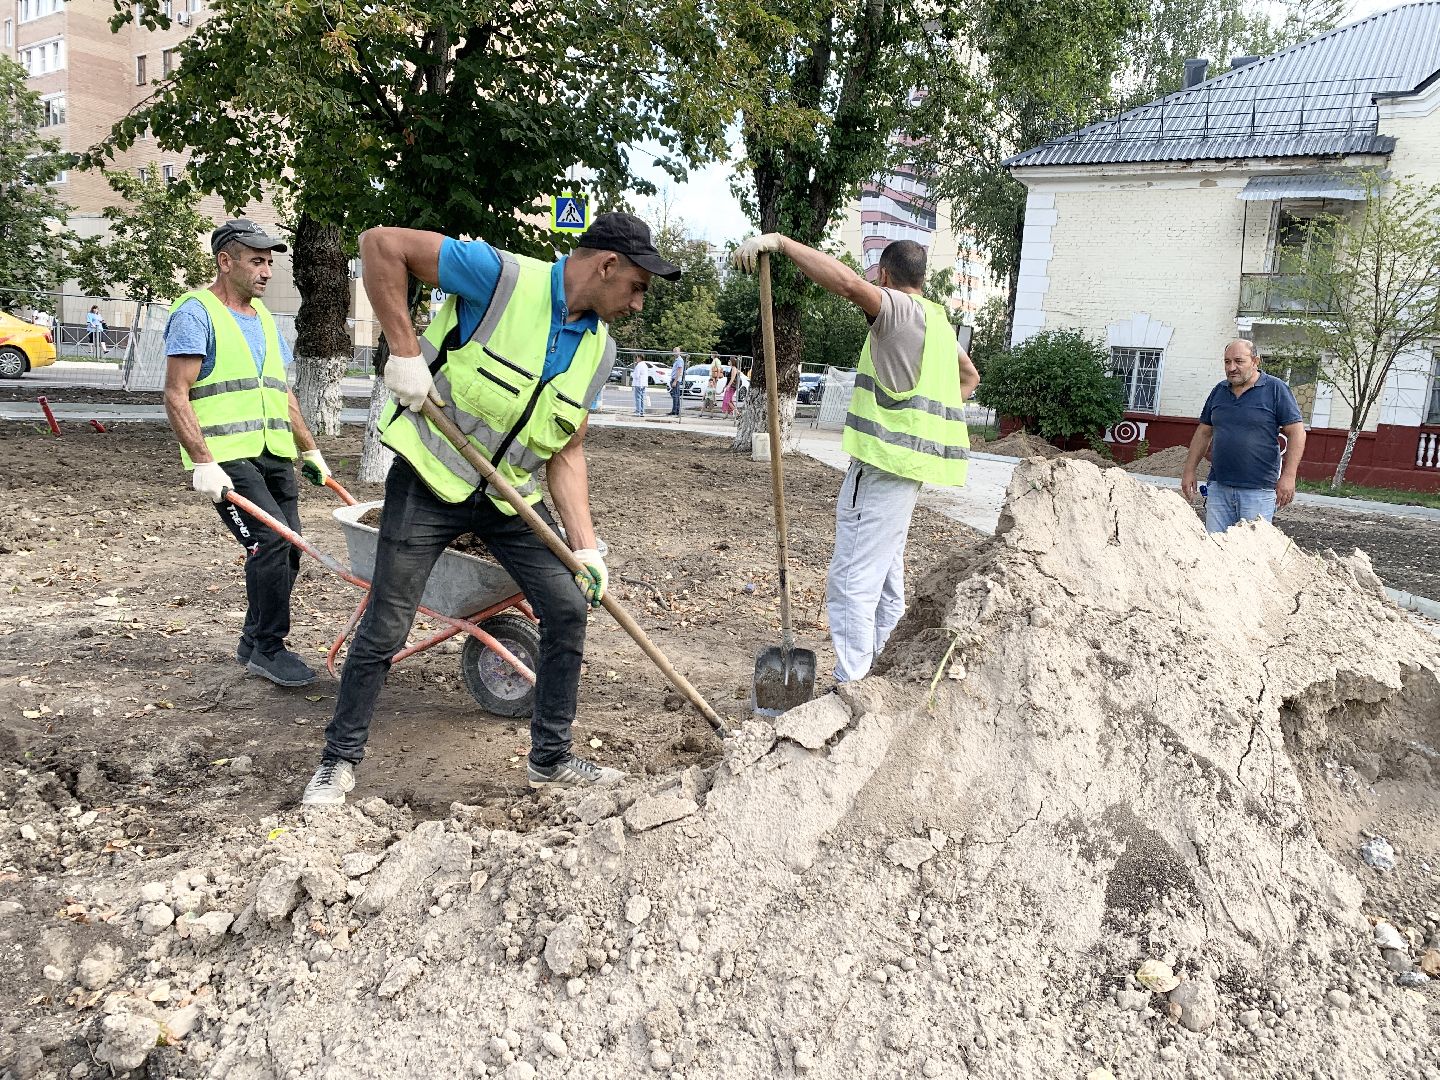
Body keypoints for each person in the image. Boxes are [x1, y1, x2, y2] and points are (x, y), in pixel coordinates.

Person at [302, 211, 681, 806]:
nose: (638, 304)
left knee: (567, 607)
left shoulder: (599, 352)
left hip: (509, 499)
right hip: (431, 479)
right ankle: (339, 761)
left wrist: (585, 546)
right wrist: (403, 352)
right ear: (607, 264)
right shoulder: (502, 278)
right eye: (638, 286)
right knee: (387, 621)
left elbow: (567, 451)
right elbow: (380, 241)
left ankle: (550, 760)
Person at [733, 234, 978, 684]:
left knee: (850, 583)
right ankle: (882, 669)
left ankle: (853, 685)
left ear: (885, 276)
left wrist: (784, 245)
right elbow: (969, 376)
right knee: (885, 578)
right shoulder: (937, 321)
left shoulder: (899, 312)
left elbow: (846, 285)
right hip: (904, 471)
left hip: (883, 465)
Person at [163, 218, 329, 688]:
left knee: (290, 548)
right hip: (227, 459)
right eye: (257, 261)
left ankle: (252, 640)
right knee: (269, 543)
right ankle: (268, 649)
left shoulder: (267, 323)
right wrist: (202, 461)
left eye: (270, 262)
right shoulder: (196, 313)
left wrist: (311, 451)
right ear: (225, 261)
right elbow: (176, 393)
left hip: (273, 452)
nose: (267, 271)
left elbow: (284, 393)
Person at [1182, 339, 1306, 533]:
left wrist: (1289, 476)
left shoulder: (1275, 389)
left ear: (1255, 362)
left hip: (1258, 491)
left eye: (1239, 361)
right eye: (1227, 362)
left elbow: (1297, 432)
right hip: (1219, 487)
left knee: (1253, 554)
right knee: (1216, 548)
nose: (1232, 368)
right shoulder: (1219, 391)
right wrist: (1189, 469)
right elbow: (1204, 431)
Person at [667, 346, 685, 416]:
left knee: (675, 395)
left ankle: (675, 411)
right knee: (675, 395)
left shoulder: (679, 360)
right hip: (675, 379)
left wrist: (675, 381)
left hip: (676, 380)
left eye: (676, 351)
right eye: (674, 351)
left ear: (679, 352)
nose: (674, 353)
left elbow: (679, 371)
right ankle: (676, 410)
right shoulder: (677, 360)